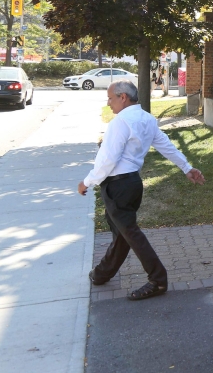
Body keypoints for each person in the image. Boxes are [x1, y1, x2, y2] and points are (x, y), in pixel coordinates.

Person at [78, 80, 206, 300]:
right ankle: (101, 274)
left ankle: (158, 280)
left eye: (110, 98)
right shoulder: (146, 119)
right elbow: (165, 144)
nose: (108, 103)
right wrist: (186, 167)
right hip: (131, 184)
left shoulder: (121, 122)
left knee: (131, 234)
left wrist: (87, 181)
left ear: (123, 97)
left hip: (118, 185)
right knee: (122, 234)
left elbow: (108, 159)